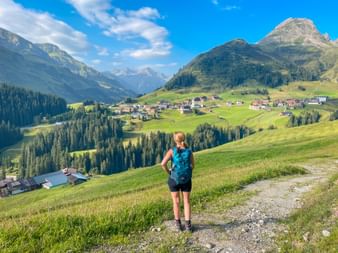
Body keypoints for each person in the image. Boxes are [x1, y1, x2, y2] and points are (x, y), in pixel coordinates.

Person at [161, 131, 195, 232]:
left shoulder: (172, 151)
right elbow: (193, 166)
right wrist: (186, 172)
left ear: (175, 140)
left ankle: (178, 225)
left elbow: (162, 164)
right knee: (187, 202)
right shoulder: (189, 151)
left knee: (176, 202)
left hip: (174, 179)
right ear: (183, 139)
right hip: (186, 179)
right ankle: (188, 226)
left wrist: (169, 172)